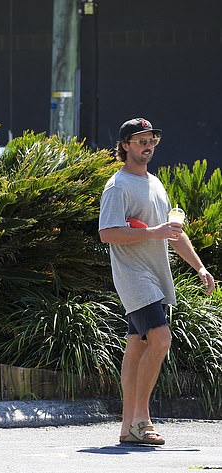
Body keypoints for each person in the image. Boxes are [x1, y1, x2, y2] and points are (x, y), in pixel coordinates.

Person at [98, 118, 215, 445]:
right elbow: (107, 233)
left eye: (151, 140)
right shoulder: (117, 186)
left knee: (137, 347)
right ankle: (142, 419)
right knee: (161, 339)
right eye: (140, 141)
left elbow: (174, 235)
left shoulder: (155, 184)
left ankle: (127, 428)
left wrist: (200, 268)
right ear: (125, 146)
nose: (147, 146)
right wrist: (155, 232)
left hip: (155, 275)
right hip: (134, 277)